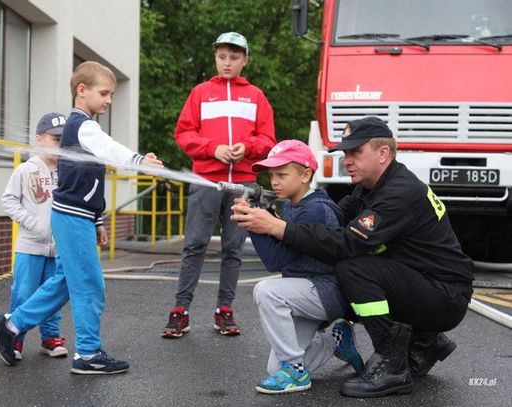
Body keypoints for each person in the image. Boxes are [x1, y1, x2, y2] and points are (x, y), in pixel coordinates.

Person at [232, 117, 474, 398]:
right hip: (424, 284)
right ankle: (424, 341)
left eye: (356, 152)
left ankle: (391, 365)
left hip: (444, 295)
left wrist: (277, 227)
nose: (347, 160)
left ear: (383, 153)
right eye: (345, 153)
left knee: (353, 269)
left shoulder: (398, 193)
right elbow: (332, 219)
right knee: (349, 277)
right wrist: (272, 212)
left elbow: (345, 243)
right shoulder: (372, 187)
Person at [0, 61, 163, 374]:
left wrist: (97, 220)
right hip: (72, 218)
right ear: (81, 91)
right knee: (89, 285)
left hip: (77, 218)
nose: (109, 100)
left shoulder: (82, 128)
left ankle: (13, 324)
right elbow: (109, 148)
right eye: (104, 93)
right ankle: (87, 354)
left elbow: (88, 182)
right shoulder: (84, 125)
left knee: (67, 282)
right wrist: (138, 161)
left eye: (112, 94)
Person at [163, 32, 276, 338]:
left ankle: (224, 310)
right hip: (206, 178)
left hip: (242, 183)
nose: (228, 63)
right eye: (222, 56)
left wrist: (247, 148)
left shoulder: (256, 96)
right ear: (215, 57)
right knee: (195, 244)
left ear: (245, 60)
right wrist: (212, 149)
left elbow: (268, 141)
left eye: (234, 57)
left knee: (233, 248)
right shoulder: (200, 92)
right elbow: (184, 133)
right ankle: (180, 310)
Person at [237, 139, 364, 394]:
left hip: (326, 292)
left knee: (266, 291)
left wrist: (256, 225)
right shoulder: (294, 204)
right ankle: (337, 339)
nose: (274, 182)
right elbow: (285, 247)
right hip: (305, 292)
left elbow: (275, 261)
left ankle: (295, 371)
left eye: (282, 174)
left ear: (306, 174)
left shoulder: (315, 209)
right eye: (272, 175)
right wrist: (266, 216)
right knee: (275, 368)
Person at [1, 112, 68, 361]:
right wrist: (31, 224)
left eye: (64, 139)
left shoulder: (67, 172)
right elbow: (8, 200)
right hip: (30, 246)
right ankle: (14, 338)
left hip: (58, 248)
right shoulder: (25, 170)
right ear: (39, 139)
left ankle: (50, 338)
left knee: (51, 294)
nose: (60, 144)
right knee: (23, 292)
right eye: (55, 138)